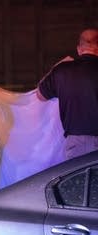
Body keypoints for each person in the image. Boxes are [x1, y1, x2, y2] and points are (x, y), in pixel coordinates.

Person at [37, 28, 98, 159]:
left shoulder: (62, 70)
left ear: (79, 49)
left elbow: (40, 95)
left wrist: (56, 67)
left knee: (77, 180)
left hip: (75, 144)